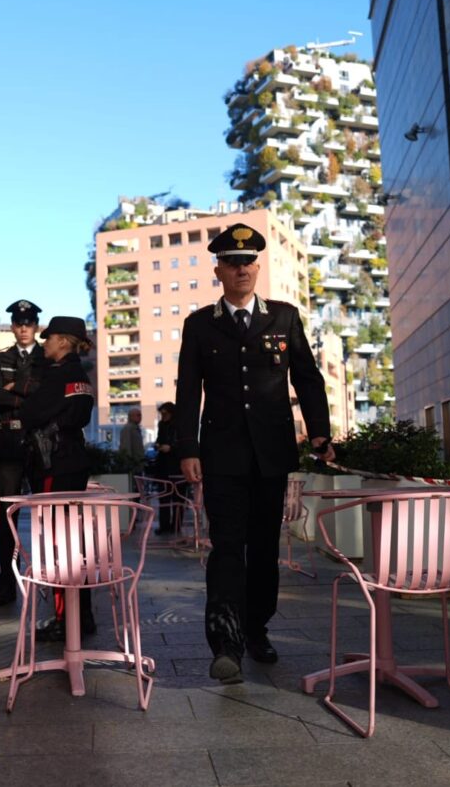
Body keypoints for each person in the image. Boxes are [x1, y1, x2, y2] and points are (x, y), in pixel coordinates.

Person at [174, 222, 335, 684]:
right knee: (227, 548)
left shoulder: (283, 317)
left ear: (257, 268)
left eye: (248, 262)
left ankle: (256, 628)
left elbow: (307, 378)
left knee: (264, 550)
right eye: (232, 262)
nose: (241, 268)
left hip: (272, 456)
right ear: (218, 270)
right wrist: (188, 446)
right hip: (221, 455)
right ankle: (226, 643)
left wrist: (320, 433)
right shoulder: (200, 324)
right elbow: (188, 391)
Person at [17, 315, 96, 642]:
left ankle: (67, 619)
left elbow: (30, 413)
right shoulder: (79, 374)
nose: (44, 343)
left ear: (63, 341)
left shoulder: (59, 374)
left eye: (49, 338)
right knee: (73, 542)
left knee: (56, 544)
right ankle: (82, 616)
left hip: (54, 462)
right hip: (71, 459)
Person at [0, 299, 44, 607]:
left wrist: (13, 388)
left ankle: (51, 580)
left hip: (40, 442)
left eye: (29, 323)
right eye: (19, 324)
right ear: (12, 327)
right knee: (8, 517)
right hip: (7, 443)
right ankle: (7, 584)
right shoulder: (0, 359)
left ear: (36, 327)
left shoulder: (47, 358)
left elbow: (47, 395)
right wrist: (27, 392)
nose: (23, 329)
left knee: (50, 514)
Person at [152, 402, 179, 534]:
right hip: (163, 466)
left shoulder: (178, 425)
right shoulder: (162, 425)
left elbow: (182, 443)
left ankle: (176, 526)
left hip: (175, 466)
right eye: (161, 413)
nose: (163, 416)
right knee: (163, 497)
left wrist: (171, 448)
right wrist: (158, 445)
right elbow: (159, 439)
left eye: (165, 413)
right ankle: (164, 526)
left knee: (177, 498)